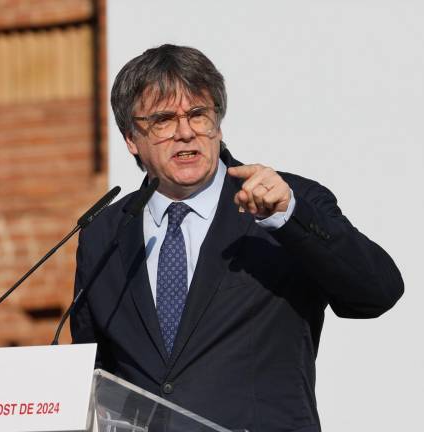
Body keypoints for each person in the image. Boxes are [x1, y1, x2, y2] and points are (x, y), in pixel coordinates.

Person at [71, 44, 403, 432]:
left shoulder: (289, 204)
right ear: (131, 138)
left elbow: (376, 293)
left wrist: (289, 217)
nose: (185, 132)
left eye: (198, 114)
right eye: (163, 120)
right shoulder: (104, 234)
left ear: (218, 124)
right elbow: (92, 373)